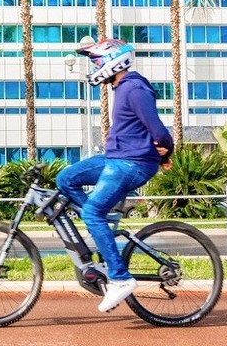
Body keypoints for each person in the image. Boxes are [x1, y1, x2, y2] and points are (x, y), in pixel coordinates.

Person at [55, 38, 173, 313]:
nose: (95, 67)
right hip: (116, 159)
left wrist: (166, 153)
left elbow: (159, 131)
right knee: (65, 179)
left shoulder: (134, 88)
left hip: (132, 163)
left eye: (97, 61)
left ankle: (120, 278)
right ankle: (102, 227)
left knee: (91, 213)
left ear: (115, 61)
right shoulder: (123, 87)